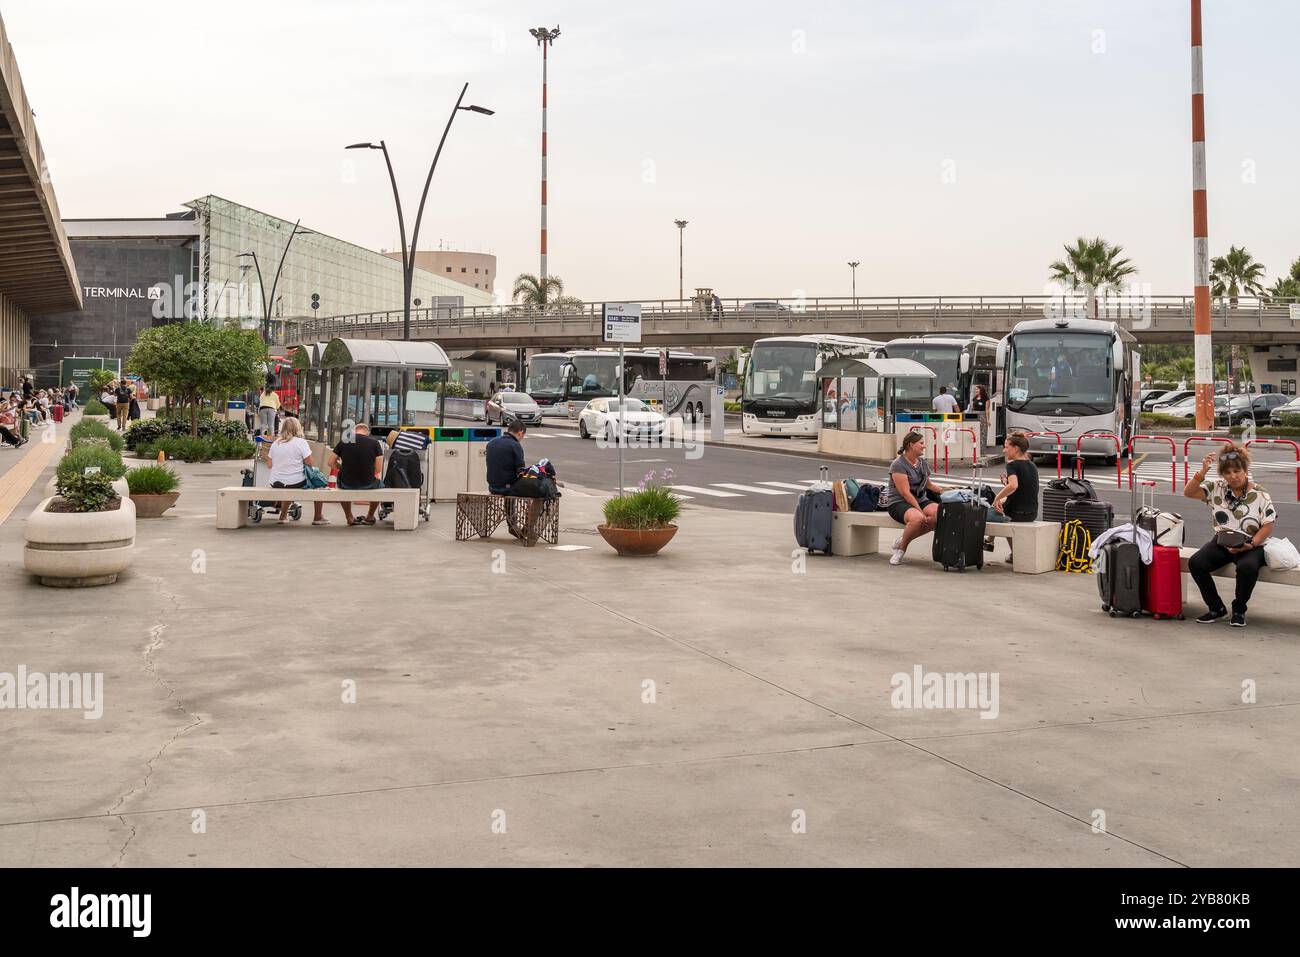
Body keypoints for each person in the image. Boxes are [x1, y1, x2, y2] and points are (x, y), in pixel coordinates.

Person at [1183, 444, 1277, 627]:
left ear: (1246, 470)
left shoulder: (1260, 493)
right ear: (1222, 475)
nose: (1233, 476)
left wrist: (1252, 544)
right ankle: (1216, 608)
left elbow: (1268, 525)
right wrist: (1202, 471)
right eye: (1227, 472)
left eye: (1237, 471)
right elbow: (1189, 492)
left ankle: (1239, 610)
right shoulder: (1216, 487)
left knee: (1247, 567)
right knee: (1196, 563)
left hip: (1251, 544)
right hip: (1223, 541)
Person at [881, 431, 945, 566]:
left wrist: (948, 492)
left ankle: (903, 539)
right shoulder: (898, 465)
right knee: (918, 519)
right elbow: (905, 493)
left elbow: (929, 485)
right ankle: (901, 550)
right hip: (899, 502)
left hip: (920, 499)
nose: (924, 446)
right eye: (921, 443)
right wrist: (920, 512)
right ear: (911, 445)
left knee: (941, 514)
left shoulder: (922, 463)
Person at [987, 431, 1040, 561]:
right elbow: (1022, 488)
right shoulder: (1032, 465)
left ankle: (992, 543)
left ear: (1016, 449)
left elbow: (1013, 486)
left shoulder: (1012, 465)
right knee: (1001, 507)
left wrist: (997, 498)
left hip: (1017, 513)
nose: (1004, 450)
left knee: (986, 512)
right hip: (1032, 512)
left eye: (1006, 447)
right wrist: (1006, 484)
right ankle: (991, 541)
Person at [264, 417, 327, 526]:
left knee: (288, 482)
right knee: (319, 483)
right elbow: (309, 462)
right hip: (296, 482)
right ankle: (318, 517)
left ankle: (283, 516)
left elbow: (269, 465)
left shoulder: (276, 443)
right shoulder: (301, 442)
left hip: (276, 483)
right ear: (298, 428)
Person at [328, 422, 384, 526]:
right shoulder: (375, 443)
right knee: (380, 486)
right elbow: (378, 468)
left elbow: (330, 462)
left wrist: (340, 468)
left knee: (342, 488)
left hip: (346, 483)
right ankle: (370, 516)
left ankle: (349, 517)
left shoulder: (344, 441)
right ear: (367, 433)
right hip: (368, 483)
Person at [485, 421, 526, 495]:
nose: (521, 439)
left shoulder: (491, 442)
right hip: (508, 488)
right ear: (520, 432)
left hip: (492, 487)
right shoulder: (515, 445)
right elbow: (521, 470)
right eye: (522, 436)